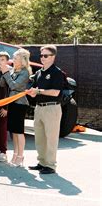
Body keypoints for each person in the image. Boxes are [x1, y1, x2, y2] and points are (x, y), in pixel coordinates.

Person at [27, 45, 65, 174]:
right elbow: (36, 91)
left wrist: (38, 91)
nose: (42, 58)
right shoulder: (39, 72)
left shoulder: (57, 73)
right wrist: (32, 92)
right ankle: (42, 162)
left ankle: (50, 165)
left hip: (52, 108)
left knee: (51, 138)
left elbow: (55, 92)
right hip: (39, 108)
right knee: (40, 137)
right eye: (41, 55)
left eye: (46, 55)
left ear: (53, 57)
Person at [0, 48, 31, 167]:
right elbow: (2, 84)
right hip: (11, 103)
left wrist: (6, 73)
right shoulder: (12, 70)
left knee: (19, 131)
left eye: (15, 58)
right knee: (14, 131)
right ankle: (15, 154)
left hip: (20, 103)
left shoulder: (25, 72)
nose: (13, 60)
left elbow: (14, 86)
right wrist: (4, 72)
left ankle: (20, 156)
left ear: (22, 60)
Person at [0, 51, 11, 162]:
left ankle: (3, 151)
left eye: (3, 59)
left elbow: (10, 90)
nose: (0, 61)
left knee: (2, 128)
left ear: (7, 61)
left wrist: (6, 107)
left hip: (4, 105)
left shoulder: (10, 72)